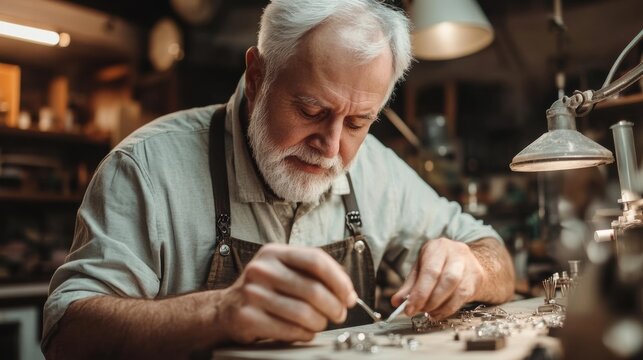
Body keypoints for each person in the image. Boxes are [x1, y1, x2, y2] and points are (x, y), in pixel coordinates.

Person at [43, 0, 515, 358]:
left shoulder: (376, 167)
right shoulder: (146, 167)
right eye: (311, 110)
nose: (331, 147)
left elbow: (497, 259)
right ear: (256, 76)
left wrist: (471, 269)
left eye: (357, 123)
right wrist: (219, 312)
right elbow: (66, 332)